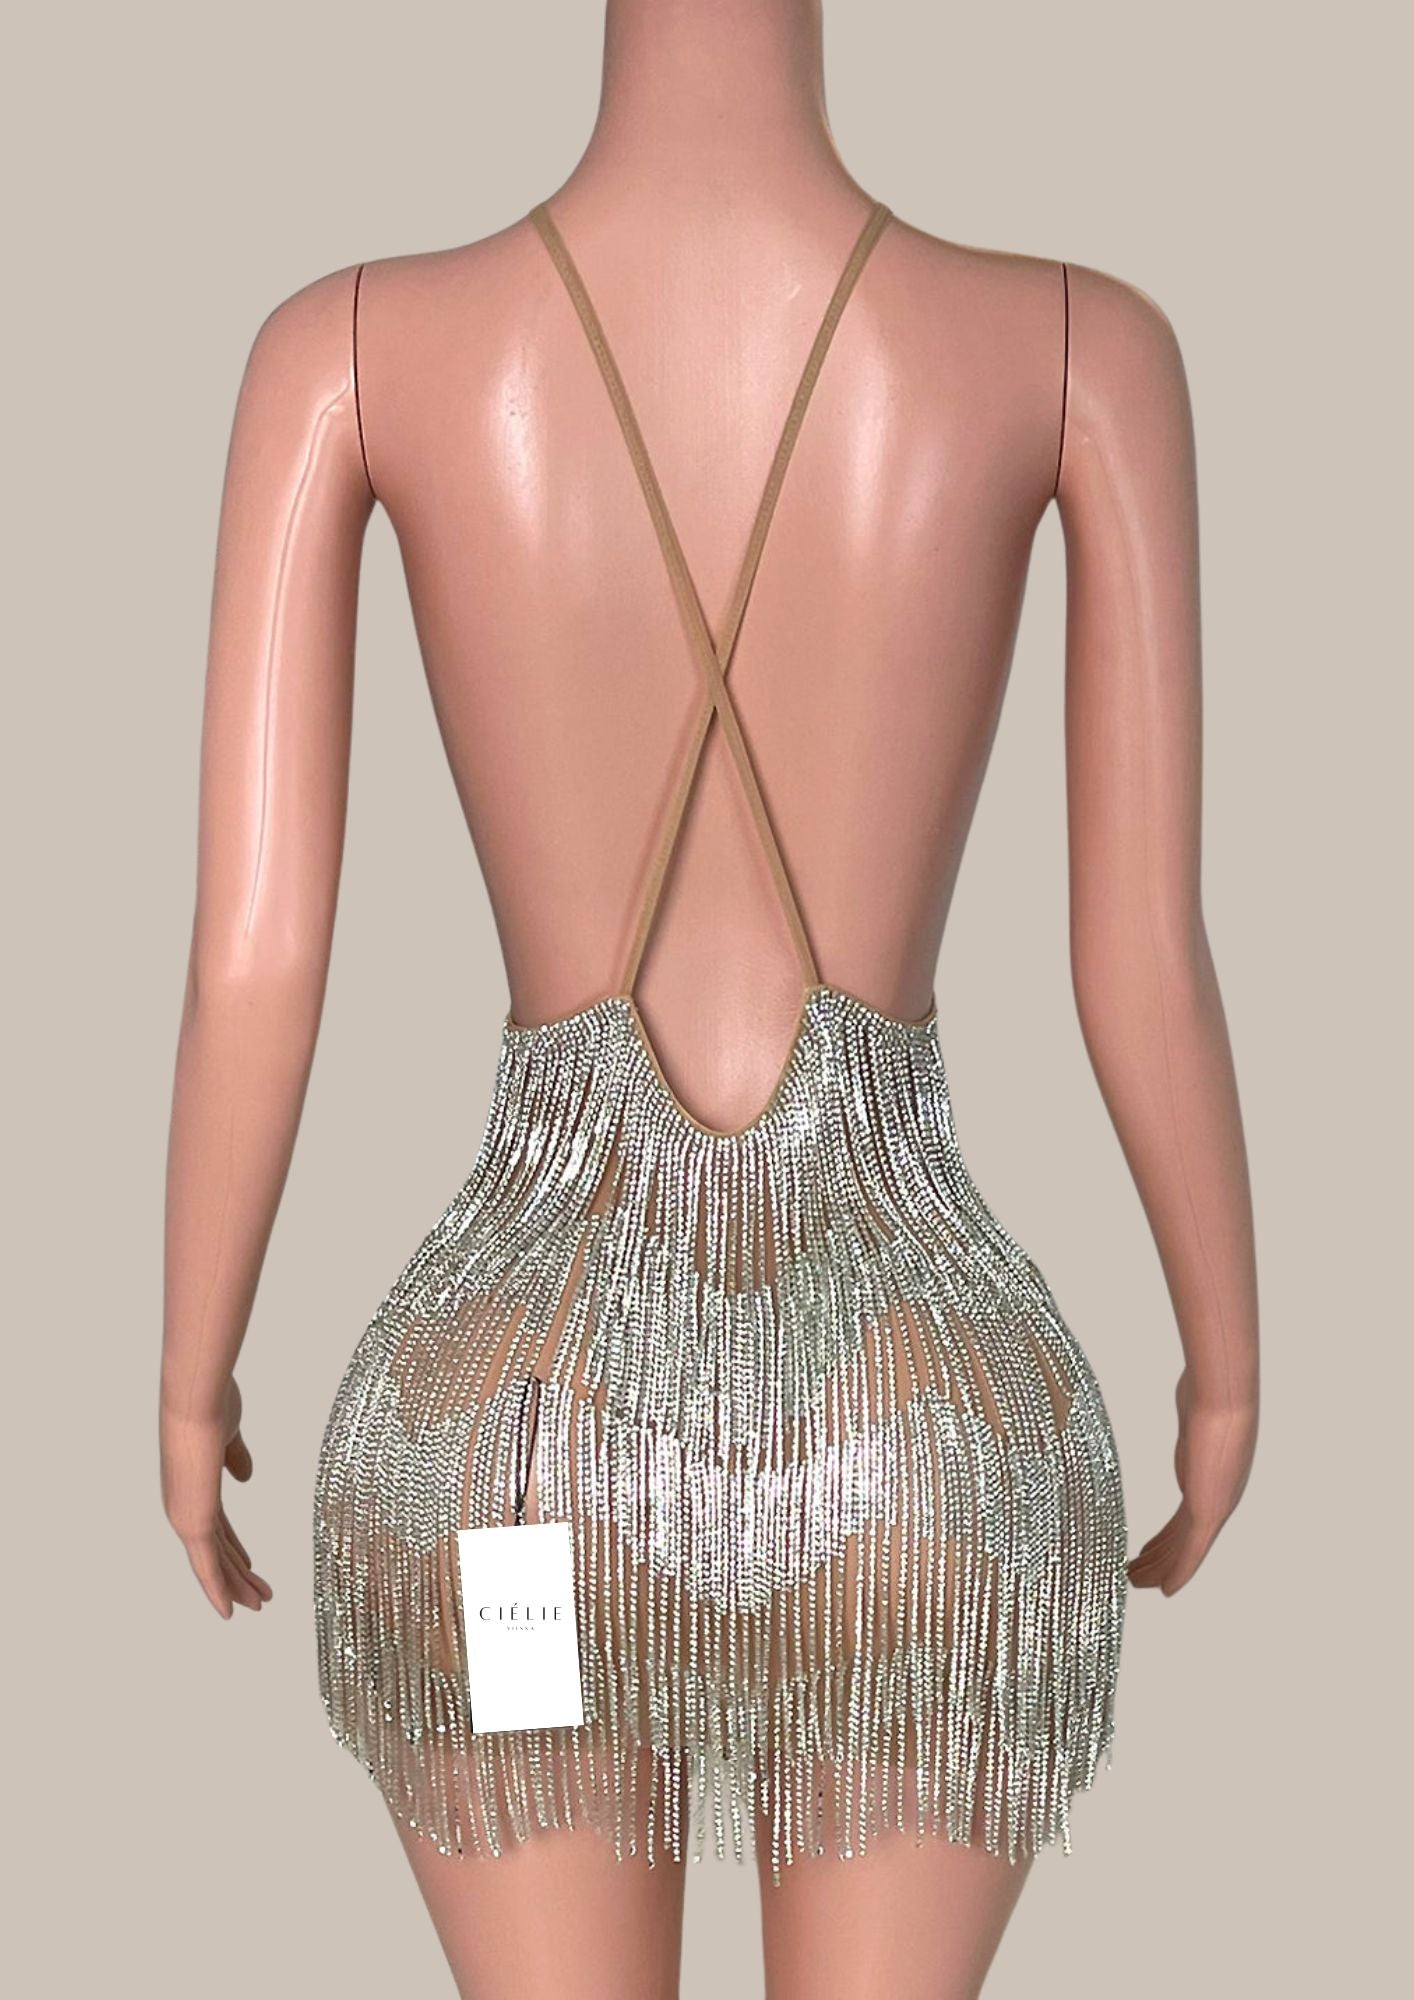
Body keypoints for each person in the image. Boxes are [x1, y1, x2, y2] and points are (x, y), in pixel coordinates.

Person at [159, 3, 1259, 1994]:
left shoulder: (353, 348)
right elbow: (1141, 962)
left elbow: (255, 953)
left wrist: (189, 1374)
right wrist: (1223, 1365)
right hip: (916, 1443)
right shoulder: (1072, 346)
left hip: (518, 1445)